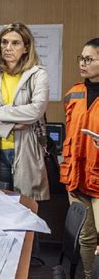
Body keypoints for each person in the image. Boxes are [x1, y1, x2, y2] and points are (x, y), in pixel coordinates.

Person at [0, 22, 50, 200]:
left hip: (26, 150)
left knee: (25, 206)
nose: (8, 48)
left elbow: (35, 110)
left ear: (26, 48)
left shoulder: (38, 74)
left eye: (15, 43)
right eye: (4, 42)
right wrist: (13, 126)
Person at [60, 38, 99, 279]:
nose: (82, 64)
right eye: (81, 58)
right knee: (85, 236)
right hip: (76, 176)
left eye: (89, 59)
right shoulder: (73, 93)